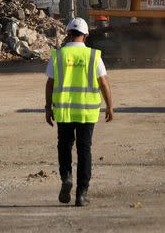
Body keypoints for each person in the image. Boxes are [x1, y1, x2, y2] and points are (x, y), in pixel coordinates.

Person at [45, 17, 114, 207]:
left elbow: (49, 84)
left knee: (64, 146)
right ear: (85, 36)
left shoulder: (58, 55)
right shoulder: (93, 56)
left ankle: (66, 177)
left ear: (68, 34)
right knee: (84, 150)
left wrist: (47, 107)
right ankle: (81, 193)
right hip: (86, 112)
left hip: (64, 112)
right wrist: (109, 106)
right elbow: (104, 82)